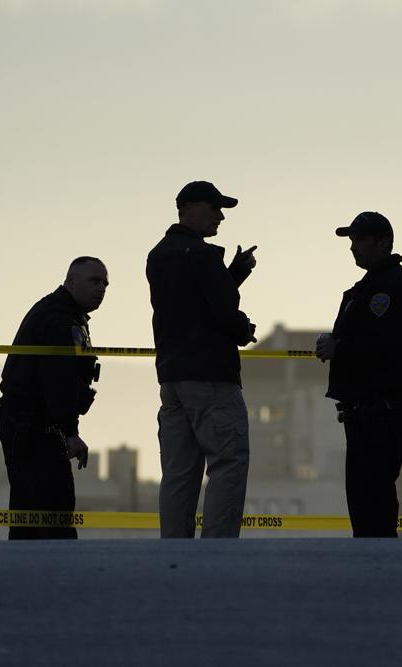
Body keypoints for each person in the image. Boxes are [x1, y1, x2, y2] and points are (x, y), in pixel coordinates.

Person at [146, 180, 258, 538]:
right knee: (228, 461)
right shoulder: (204, 255)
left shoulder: (159, 254)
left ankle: (174, 550)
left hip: (172, 379)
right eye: (216, 208)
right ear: (191, 208)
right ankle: (217, 551)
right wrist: (244, 330)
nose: (221, 217)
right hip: (211, 377)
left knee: (179, 472)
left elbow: (192, 303)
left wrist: (232, 275)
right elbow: (222, 312)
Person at [316, 211, 402, 537]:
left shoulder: (388, 289)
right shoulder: (376, 285)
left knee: (372, 499)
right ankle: (375, 565)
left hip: (378, 411)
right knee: (366, 499)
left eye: (360, 240)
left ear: (383, 242)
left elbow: (383, 345)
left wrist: (340, 348)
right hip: (368, 411)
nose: (353, 247)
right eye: (351, 241)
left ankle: (378, 568)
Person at [0, 257, 107, 540]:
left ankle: (33, 575)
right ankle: (54, 575)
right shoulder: (58, 319)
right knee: (51, 514)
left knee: (32, 514)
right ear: (71, 282)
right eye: (94, 281)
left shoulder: (66, 315)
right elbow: (58, 379)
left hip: (32, 424)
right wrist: (71, 432)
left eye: (105, 283)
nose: (102, 289)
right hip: (32, 427)